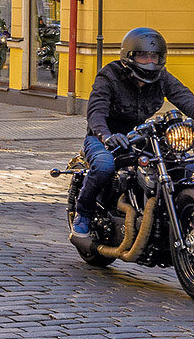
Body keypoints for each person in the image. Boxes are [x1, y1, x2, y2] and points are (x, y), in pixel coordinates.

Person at [71, 27, 194, 237]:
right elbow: (96, 111)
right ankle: (83, 213)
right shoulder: (109, 76)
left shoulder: (162, 77)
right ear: (129, 56)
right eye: (143, 55)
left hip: (141, 136)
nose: (149, 61)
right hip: (105, 136)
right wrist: (106, 136)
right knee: (103, 166)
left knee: (181, 164)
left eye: (154, 56)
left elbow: (185, 98)